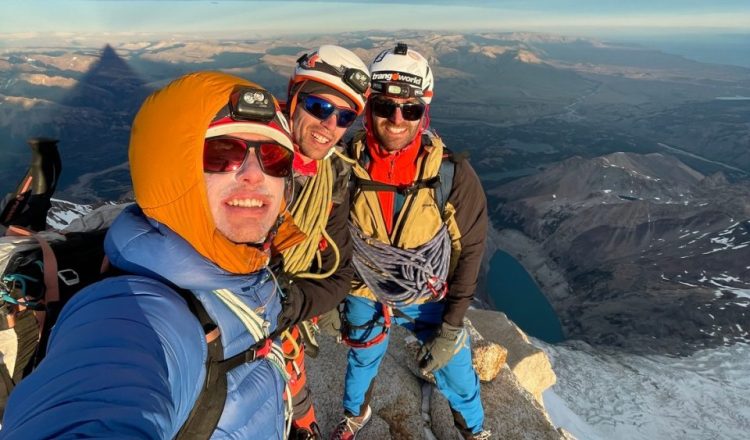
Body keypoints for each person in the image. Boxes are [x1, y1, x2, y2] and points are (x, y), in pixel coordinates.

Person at [0, 71, 306, 439]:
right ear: (170, 170)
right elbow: (99, 398)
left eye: (274, 158)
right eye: (224, 153)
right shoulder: (136, 313)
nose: (255, 175)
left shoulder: (244, 270)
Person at [331, 44, 491, 440]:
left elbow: (469, 251)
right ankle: (355, 414)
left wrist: (452, 326)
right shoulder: (343, 167)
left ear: (425, 111)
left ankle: (473, 429)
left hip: (428, 297)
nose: (397, 119)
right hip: (362, 288)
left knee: (457, 366)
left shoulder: (453, 175)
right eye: (385, 106)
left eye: (411, 109)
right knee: (362, 356)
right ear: (369, 108)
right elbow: (330, 234)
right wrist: (329, 294)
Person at [273, 45, 370, 440]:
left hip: (283, 316)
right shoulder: (243, 154)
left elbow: (339, 274)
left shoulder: (333, 179)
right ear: (293, 100)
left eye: (344, 116)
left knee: (293, 381)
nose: (328, 124)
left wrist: (291, 304)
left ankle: (303, 427)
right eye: (318, 106)